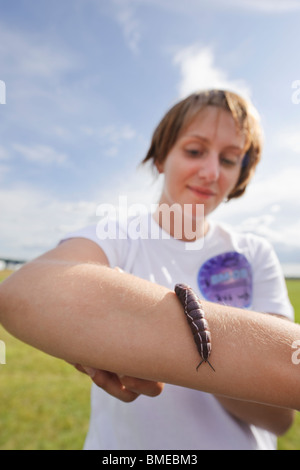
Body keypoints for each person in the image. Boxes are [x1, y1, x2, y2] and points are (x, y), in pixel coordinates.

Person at [0, 90, 298, 450]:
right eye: (194, 151)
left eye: (230, 159)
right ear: (161, 157)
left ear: (241, 175)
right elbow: (25, 290)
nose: (210, 171)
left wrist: (136, 335)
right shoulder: (118, 236)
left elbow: (281, 413)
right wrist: (249, 361)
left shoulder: (255, 254)